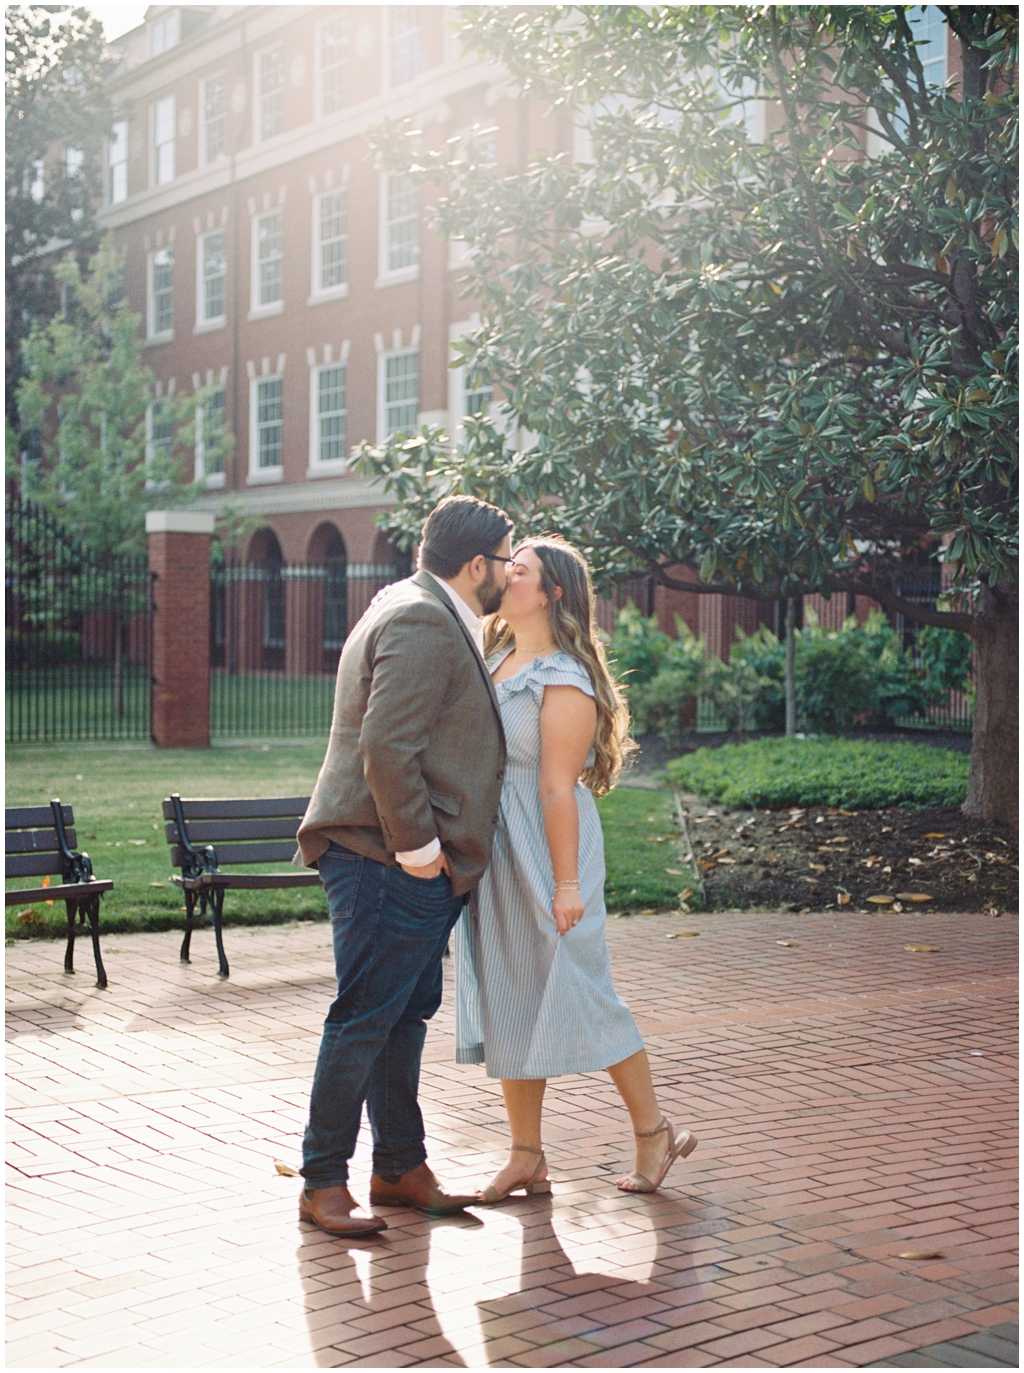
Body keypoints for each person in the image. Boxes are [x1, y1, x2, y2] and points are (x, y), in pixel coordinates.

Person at [454, 536, 698, 1200]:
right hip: (498, 848)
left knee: (581, 986)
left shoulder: (565, 676)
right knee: (509, 988)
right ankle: (527, 1153)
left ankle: (654, 1130)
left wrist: (566, 883)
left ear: (553, 591)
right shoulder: (495, 656)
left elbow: (558, 787)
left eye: (521, 570)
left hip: (549, 846)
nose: (506, 575)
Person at [296, 495, 513, 1236]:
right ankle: (323, 1178)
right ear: (477, 563)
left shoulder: (414, 601)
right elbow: (387, 748)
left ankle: (398, 1166)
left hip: (397, 861)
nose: (511, 573)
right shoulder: (424, 617)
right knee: (363, 1017)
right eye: (506, 560)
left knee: (401, 1015)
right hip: (386, 859)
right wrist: (423, 855)